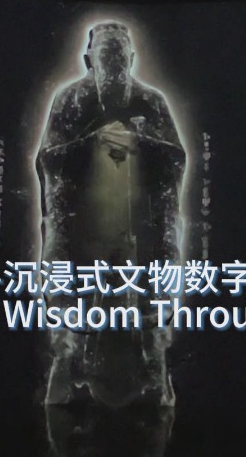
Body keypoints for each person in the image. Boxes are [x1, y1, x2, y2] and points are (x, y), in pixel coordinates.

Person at [36, 21, 186, 407]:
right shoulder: (70, 99)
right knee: (69, 284)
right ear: (90, 59)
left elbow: (175, 158)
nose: (114, 66)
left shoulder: (151, 101)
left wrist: (137, 143)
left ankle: (154, 364)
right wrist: (92, 144)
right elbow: (49, 159)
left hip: (139, 219)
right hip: (84, 219)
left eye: (119, 58)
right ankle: (67, 360)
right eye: (106, 57)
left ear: (131, 59)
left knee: (152, 292)